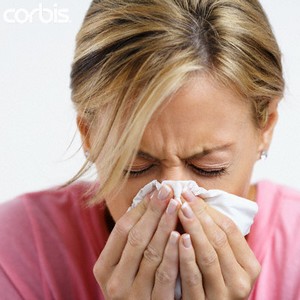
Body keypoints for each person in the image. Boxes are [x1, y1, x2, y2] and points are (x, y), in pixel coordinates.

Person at [1, 0, 300, 299]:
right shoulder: (17, 247)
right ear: (89, 136)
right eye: (136, 165)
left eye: (209, 166)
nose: (173, 197)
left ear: (266, 127)